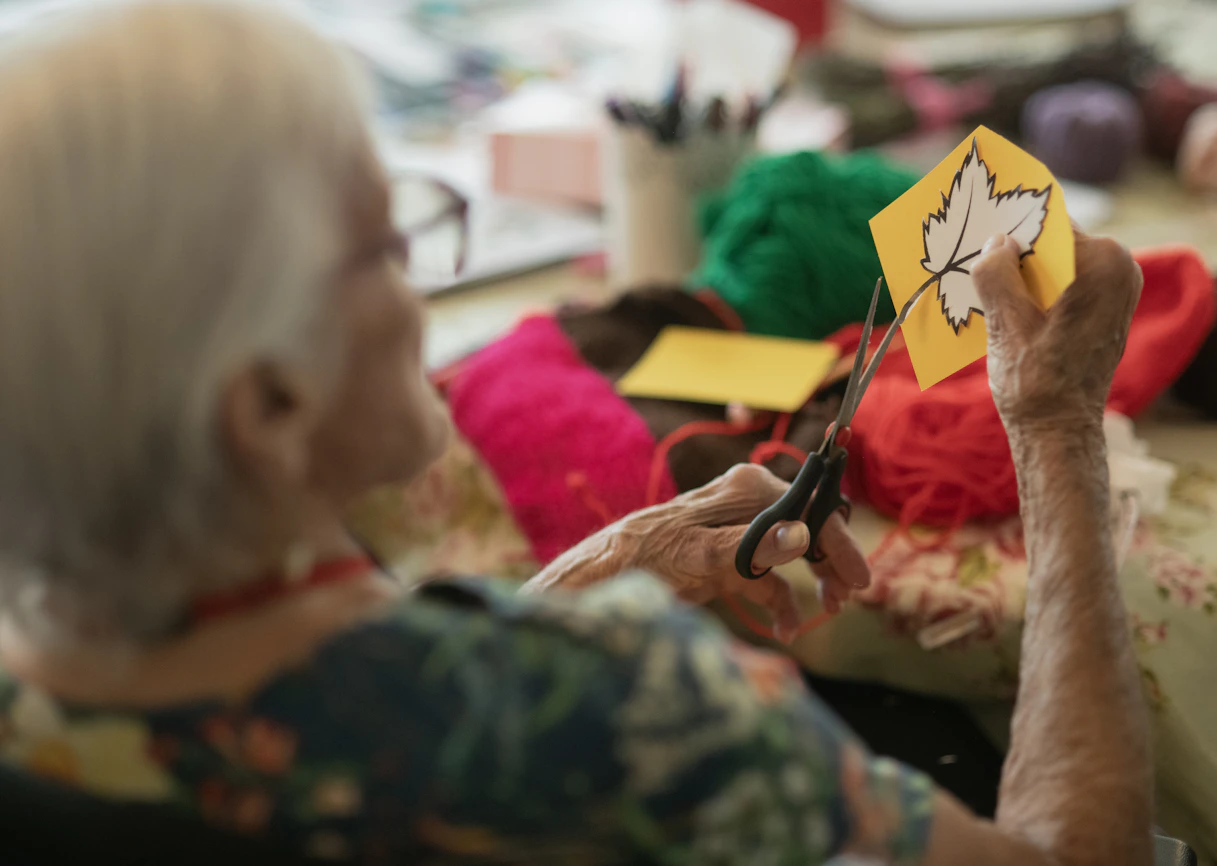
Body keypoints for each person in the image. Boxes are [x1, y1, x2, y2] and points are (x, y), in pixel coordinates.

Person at [0, 2, 1152, 865]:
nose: (418, 287)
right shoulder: (638, 712)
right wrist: (1055, 429)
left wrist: (602, 567)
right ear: (267, 408)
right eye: (386, 244)